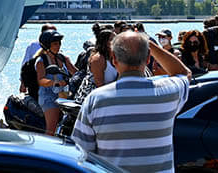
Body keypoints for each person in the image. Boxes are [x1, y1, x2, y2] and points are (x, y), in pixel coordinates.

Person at [72, 30, 191, 173]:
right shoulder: (168, 91)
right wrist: (150, 45)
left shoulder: (95, 100)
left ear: (114, 59)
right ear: (148, 59)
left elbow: (82, 152)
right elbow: (184, 73)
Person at [34, 29, 76, 135]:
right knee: (51, 128)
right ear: (47, 45)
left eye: (59, 43)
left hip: (64, 95)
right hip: (49, 96)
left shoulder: (63, 58)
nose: (58, 46)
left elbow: (75, 72)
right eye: (55, 44)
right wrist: (55, 82)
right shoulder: (41, 61)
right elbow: (41, 80)